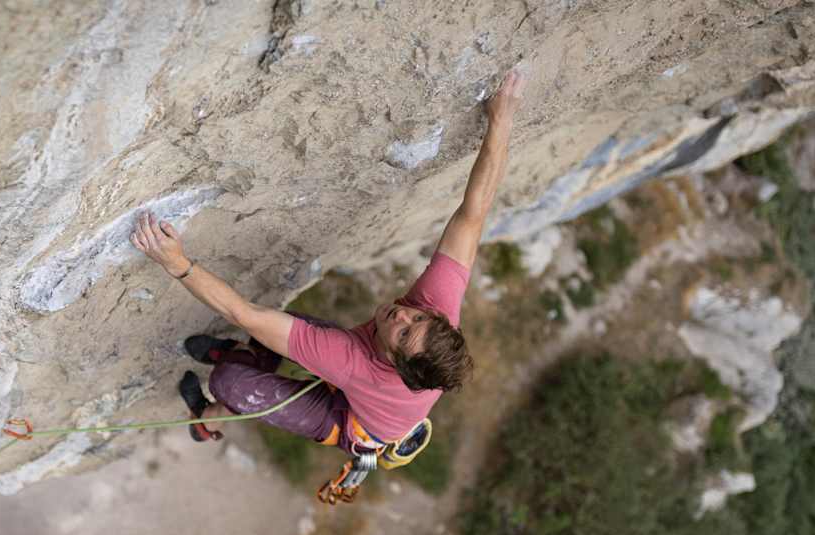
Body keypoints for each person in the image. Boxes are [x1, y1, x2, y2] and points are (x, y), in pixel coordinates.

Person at [130, 67, 526, 454]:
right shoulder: (434, 318)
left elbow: (242, 313)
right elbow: (472, 215)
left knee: (231, 382)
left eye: (404, 334)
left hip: (348, 421)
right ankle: (245, 354)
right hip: (367, 383)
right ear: (438, 317)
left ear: (395, 360)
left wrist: (175, 262)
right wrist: (501, 126)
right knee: (276, 330)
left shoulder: (354, 362)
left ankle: (208, 418)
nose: (403, 316)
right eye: (419, 318)